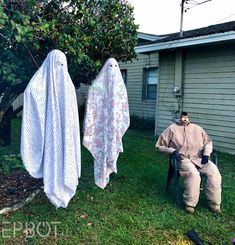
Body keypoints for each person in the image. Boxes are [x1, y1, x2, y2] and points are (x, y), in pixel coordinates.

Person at [21, 49, 81, 208]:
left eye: (62, 64)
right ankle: (53, 187)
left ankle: (65, 186)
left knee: (65, 152)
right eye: (57, 64)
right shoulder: (39, 83)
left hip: (66, 132)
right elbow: (31, 93)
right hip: (50, 132)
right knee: (52, 153)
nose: (60, 68)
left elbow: (72, 117)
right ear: (49, 64)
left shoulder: (68, 84)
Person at [156, 111, 222, 214]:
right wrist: (173, 151)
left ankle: (214, 204)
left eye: (186, 117)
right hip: (182, 159)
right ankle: (190, 204)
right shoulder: (171, 129)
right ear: (178, 119)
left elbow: (208, 142)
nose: (185, 119)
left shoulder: (197, 128)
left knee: (214, 173)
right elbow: (159, 146)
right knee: (194, 175)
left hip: (199, 158)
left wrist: (206, 154)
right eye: (182, 118)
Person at [83, 58, 130, 189]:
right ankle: (100, 177)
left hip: (113, 127)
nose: (112, 69)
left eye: (115, 66)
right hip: (100, 127)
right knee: (100, 149)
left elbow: (123, 109)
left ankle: (108, 170)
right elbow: (92, 105)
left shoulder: (120, 88)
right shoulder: (96, 86)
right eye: (110, 66)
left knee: (110, 148)